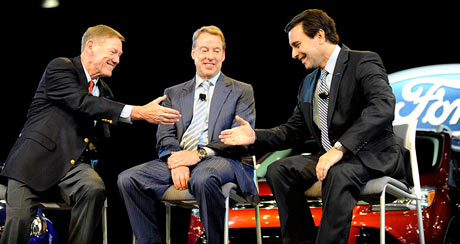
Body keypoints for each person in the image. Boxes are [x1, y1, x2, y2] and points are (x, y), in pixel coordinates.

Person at [219, 9, 411, 244]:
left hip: (372, 156)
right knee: (278, 170)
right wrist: (254, 138)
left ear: (320, 36)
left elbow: (382, 107)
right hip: (332, 159)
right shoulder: (309, 83)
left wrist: (339, 149)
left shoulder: (363, 61)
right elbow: (293, 130)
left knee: (338, 172)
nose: (293, 54)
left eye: (297, 44)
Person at [0, 24, 181, 244]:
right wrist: (138, 112)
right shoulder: (61, 67)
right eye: (113, 52)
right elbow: (82, 103)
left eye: (120, 55)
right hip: (34, 162)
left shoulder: (103, 91)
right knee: (18, 223)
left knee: (94, 188)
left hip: (73, 168)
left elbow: (102, 128)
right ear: (91, 46)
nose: (117, 60)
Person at [117, 25, 259, 244]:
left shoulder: (241, 90)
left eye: (216, 50)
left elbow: (237, 138)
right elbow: (165, 135)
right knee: (128, 179)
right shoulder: (173, 93)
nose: (210, 56)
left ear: (223, 55)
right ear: (193, 54)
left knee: (203, 178)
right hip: (181, 157)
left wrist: (199, 154)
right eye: (204, 50)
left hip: (223, 159)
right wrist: (177, 160)